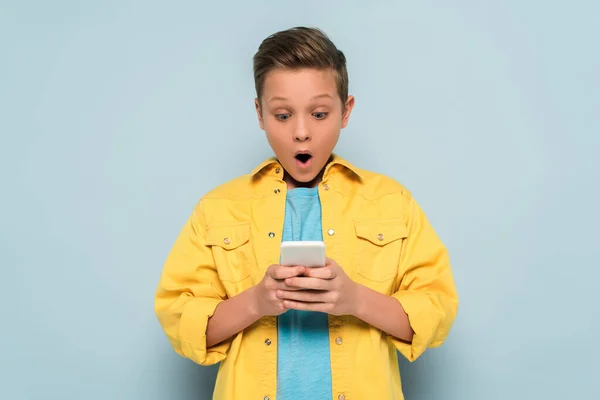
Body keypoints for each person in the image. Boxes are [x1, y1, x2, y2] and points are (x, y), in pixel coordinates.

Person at [154, 26, 458, 400]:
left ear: (345, 111)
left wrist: (355, 300)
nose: (301, 132)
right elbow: (180, 320)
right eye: (282, 115)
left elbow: (435, 312)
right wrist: (256, 302)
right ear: (260, 114)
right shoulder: (218, 208)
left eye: (318, 113)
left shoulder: (393, 202)